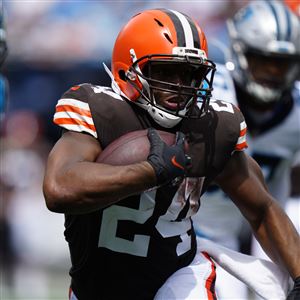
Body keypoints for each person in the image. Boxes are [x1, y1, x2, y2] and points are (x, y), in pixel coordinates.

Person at [43, 8, 300, 300]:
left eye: (189, 74)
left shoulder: (211, 127)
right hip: (97, 284)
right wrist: (152, 170)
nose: (179, 85)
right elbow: (59, 188)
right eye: (166, 71)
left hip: (180, 271)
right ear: (128, 69)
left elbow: (262, 208)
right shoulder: (101, 111)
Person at [192, 1, 300, 298]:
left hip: (255, 229)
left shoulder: (295, 115)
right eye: (262, 60)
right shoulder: (209, 95)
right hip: (191, 229)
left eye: (282, 63)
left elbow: (276, 191)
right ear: (239, 51)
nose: (272, 72)